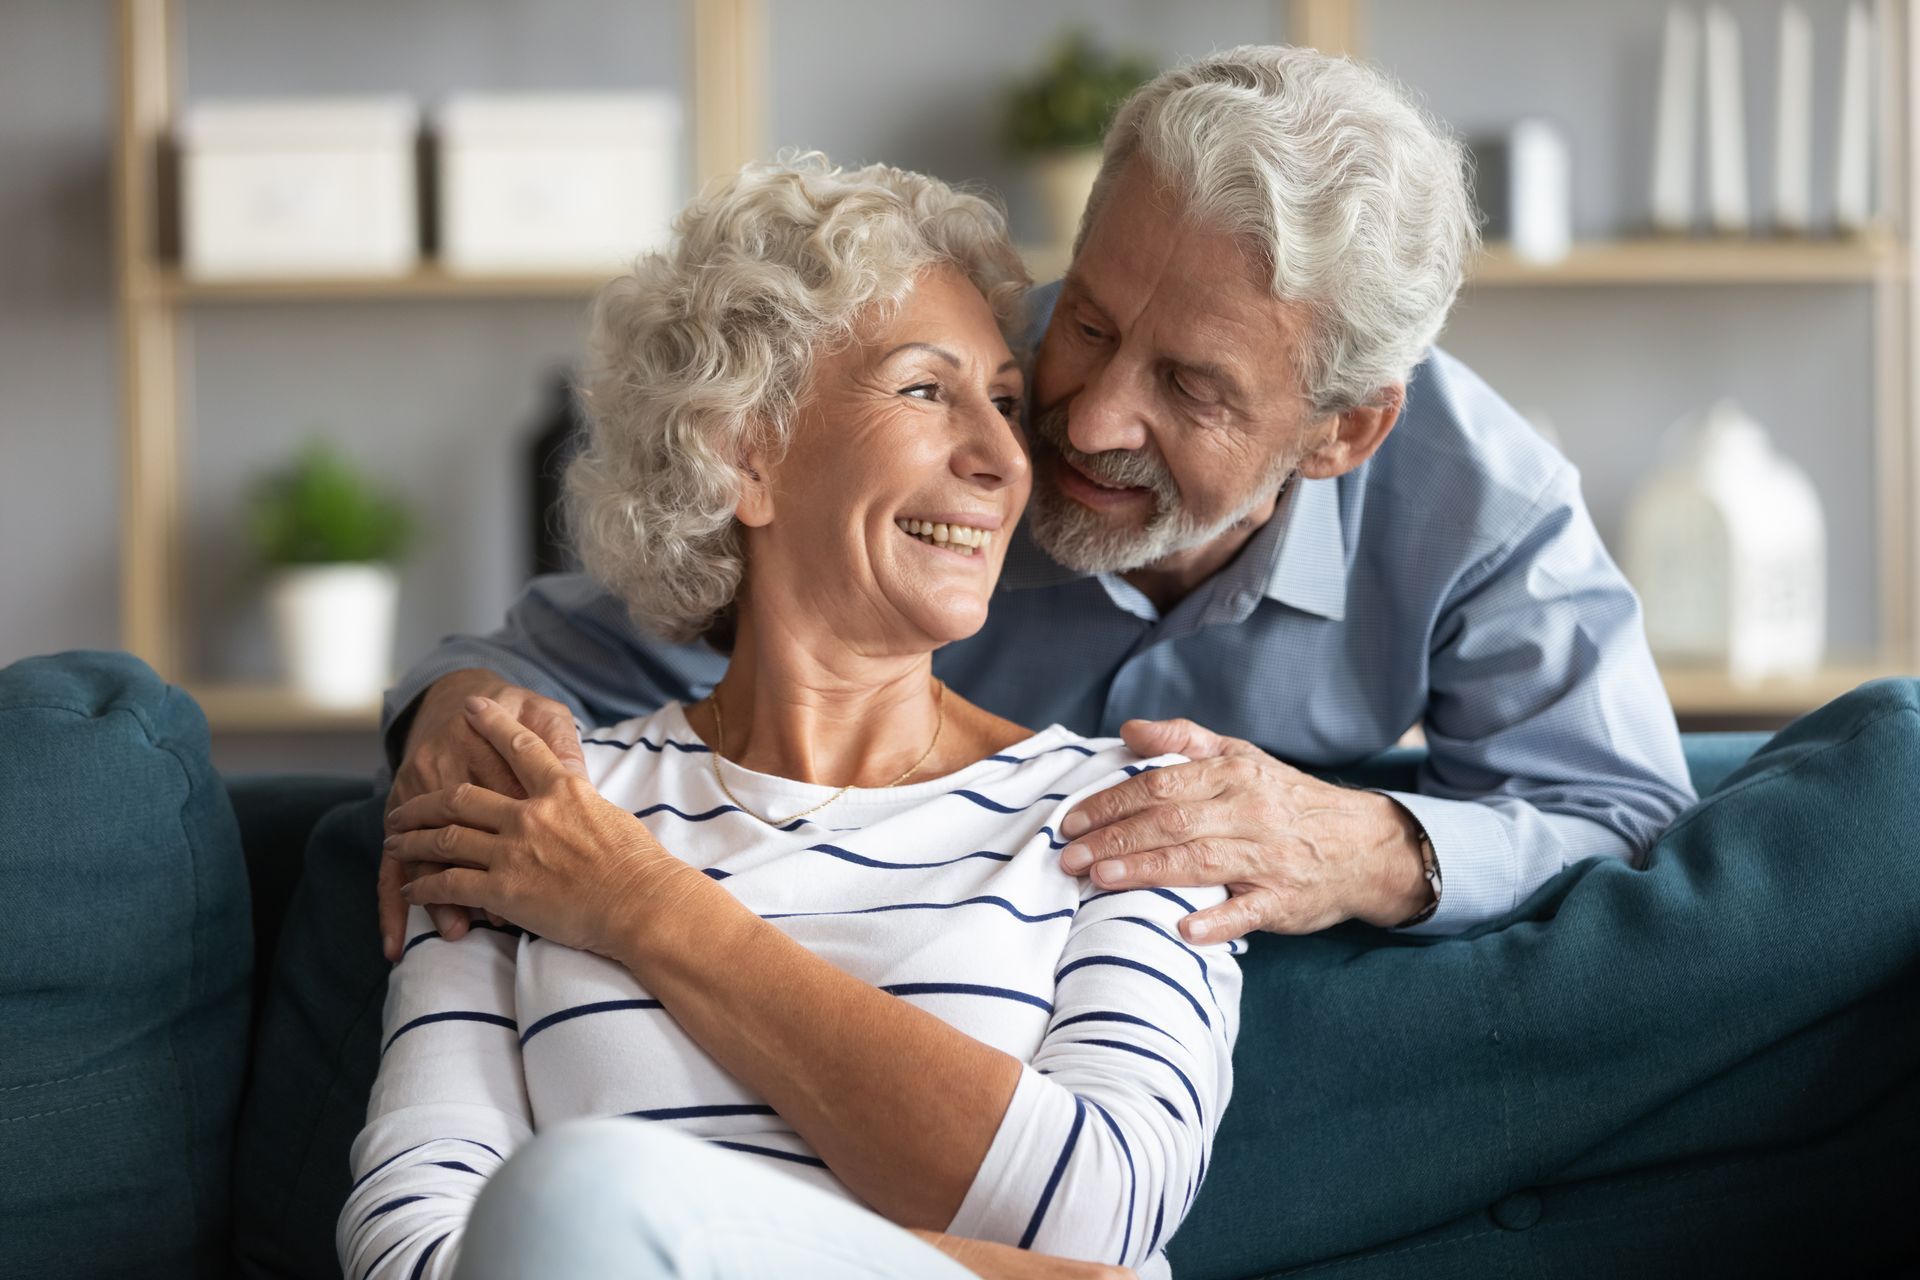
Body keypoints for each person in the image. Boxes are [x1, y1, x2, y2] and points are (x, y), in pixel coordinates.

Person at [376, 45, 1694, 963]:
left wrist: (1357, 847)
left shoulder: (1480, 502)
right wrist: (458, 720)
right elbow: (550, 650)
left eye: (1190, 384)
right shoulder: (946, 432)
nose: (1088, 418)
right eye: (1093, 320)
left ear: (1343, 429)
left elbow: (1627, 823)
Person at [341, 155, 1240, 1280]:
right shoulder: (534, 806)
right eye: (926, 389)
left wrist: (636, 902)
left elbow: (1097, 1210)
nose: (1004, 458)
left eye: (1007, 404)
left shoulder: (1130, 817)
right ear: (742, 454)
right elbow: (409, 1241)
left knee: (582, 1189)